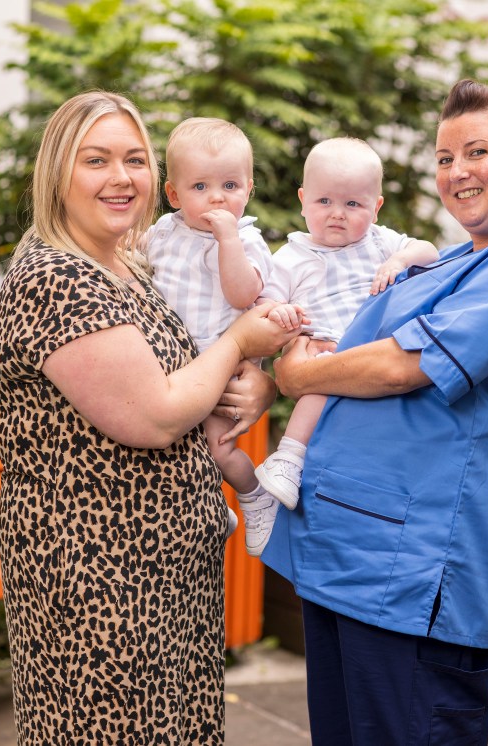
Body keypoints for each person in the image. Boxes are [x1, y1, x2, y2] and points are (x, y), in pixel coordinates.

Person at [262, 79, 488, 745]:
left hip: (411, 581)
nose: (457, 172)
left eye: (476, 152)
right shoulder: (453, 263)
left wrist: (298, 374)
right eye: (444, 159)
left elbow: (399, 365)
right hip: (349, 559)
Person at [0, 91, 298, 745]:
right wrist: (242, 342)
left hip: (172, 567)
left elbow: (194, 369)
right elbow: (155, 415)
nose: (120, 177)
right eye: (96, 160)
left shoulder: (130, 264)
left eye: (134, 159)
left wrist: (258, 386)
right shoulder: (56, 278)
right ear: (58, 174)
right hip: (97, 579)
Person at [253, 137, 439, 531]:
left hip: (374, 353)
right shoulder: (291, 258)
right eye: (324, 202)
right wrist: (280, 311)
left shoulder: (380, 242)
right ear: (302, 200)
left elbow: (429, 252)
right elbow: (262, 308)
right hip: (326, 350)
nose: (337, 214)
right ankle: (289, 455)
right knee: (323, 376)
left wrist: (400, 259)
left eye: (353, 204)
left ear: (376, 207)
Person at [144, 117, 304, 555]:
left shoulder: (247, 240)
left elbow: (243, 293)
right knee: (171, 448)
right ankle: (208, 504)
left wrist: (227, 240)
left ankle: (253, 496)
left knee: (218, 448)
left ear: (248, 190)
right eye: (200, 188)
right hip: (170, 370)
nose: (217, 197)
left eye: (230, 186)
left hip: (221, 368)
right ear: (174, 194)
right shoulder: (161, 232)